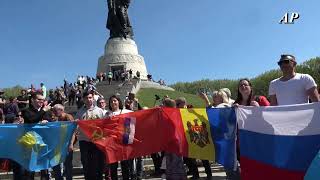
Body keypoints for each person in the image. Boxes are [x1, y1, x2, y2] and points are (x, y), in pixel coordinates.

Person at [176, 97, 212, 179]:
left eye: (178, 104)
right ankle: (196, 175)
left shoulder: (191, 110)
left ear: (183, 103)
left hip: (197, 136)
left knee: (203, 157)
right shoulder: (178, 112)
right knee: (191, 158)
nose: (177, 106)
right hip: (187, 138)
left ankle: (209, 174)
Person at [18, 92, 51, 180]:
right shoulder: (26, 110)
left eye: (42, 99)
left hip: (43, 142)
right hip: (30, 144)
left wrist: (46, 120)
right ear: (32, 100)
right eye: (39, 99)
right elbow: (32, 119)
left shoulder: (45, 111)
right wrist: (43, 111)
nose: (41, 101)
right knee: (30, 169)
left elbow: (49, 119)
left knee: (44, 169)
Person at [75, 91, 106, 180]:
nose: (88, 100)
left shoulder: (100, 111)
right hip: (84, 141)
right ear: (83, 100)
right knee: (86, 163)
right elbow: (76, 127)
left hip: (97, 140)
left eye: (90, 97)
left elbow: (105, 125)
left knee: (98, 163)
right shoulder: (80, 112)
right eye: (86, 98)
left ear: (93, 98)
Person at [107, 95, 133, 180]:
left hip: (123, 142)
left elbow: (130, 125)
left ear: (119, 102)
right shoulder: (106, 114)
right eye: (111, 101)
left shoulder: (126, 111)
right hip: (112, 143)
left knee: (125, 165)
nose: (113, 102)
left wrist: (129, 140)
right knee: (113, 166)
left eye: (115, 100)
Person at [51, 104, 76, 180]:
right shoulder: (56, 118)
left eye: (55, 111)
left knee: (68, 165)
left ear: (61, 110)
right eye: (53, 110)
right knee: (56, 165)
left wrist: (71, 144)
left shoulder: (68, 117)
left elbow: (73, 132)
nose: (54, 112)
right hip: (58, 145)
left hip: (67, 145)